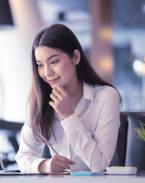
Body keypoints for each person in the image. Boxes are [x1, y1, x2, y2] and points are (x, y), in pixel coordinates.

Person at [15, 24, 121, 174]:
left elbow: (99, 165)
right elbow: (23, 156)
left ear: (76, 57)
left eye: (54, 62)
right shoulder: (38, 102)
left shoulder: (107, 97)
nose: (47, 73)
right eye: (40, 65)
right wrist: (44, 165)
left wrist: (69, 116)